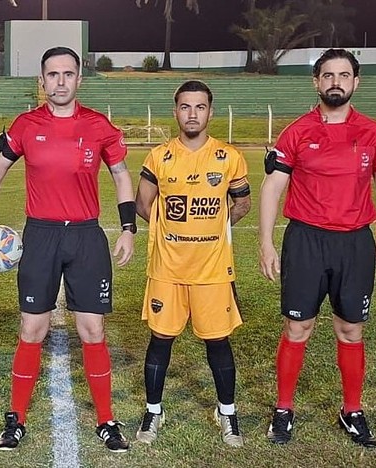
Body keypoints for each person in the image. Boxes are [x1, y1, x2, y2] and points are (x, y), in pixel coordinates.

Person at [0, 46, 135, 453]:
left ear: (79, 78)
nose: (60, 81)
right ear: (41, 81)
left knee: (93, 330)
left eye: (68, 74)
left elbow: (120, 174)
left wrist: (128, 227)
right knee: (32, 328)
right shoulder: (26, 125)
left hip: (85, 237)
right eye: (52, 75)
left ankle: (106, 420)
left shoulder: (99, 126)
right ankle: (16, 419)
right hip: (40, 237)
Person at [259, 48, 376, 449]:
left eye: (343, 75)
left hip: (355, 242)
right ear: (317, 82)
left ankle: (352, 411)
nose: (335, 81)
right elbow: (273, 186)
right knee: (297, 326)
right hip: (306, 240)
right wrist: (266, 242)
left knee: (350, 329)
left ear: (355, 82)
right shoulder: (297, 131)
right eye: (327, 75)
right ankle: (284, 408)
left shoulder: (373, 133)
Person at [132, 80, 252, 447]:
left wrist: (215, 227)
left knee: (218, 340)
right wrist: (172, 231)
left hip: (212, 271)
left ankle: (227, 413)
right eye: (185, 107)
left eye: (200, 107)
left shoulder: (228, 157)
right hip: (167, 269)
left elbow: (242, 203)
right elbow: (142, 204)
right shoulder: (159, 156)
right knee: (161, 339)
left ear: (210, 112)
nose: (192, 114)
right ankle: (154, 410)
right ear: (176, 112)